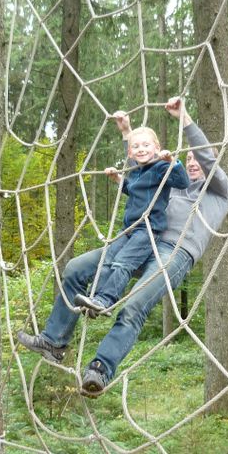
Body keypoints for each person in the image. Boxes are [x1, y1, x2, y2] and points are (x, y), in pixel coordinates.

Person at [17, 97, 228, 396]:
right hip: (139, 238)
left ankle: (100, 369)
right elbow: (140, 172)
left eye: (200, 159)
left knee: (133, 305)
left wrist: (184, 117)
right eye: (191, 158)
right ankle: (54, 341)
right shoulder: (169, 181)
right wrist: (127, 134)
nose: (195, 163)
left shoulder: (219, 190)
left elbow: (205, 158)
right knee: (75, 268)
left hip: (173, 252)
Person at [73, 120, 190, 316]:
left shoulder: (160, 167)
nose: (141, 149)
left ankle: (105, 300)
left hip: (147, 229)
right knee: (107, 259)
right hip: (129, 228)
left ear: (156, 148)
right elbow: (134, 191)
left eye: (146, 145)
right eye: (135, 146)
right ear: (129, 153)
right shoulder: (135, 171)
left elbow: (182, 182)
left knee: (122, 263)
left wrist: (172, 162)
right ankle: (94, 299)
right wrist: (119, 179)